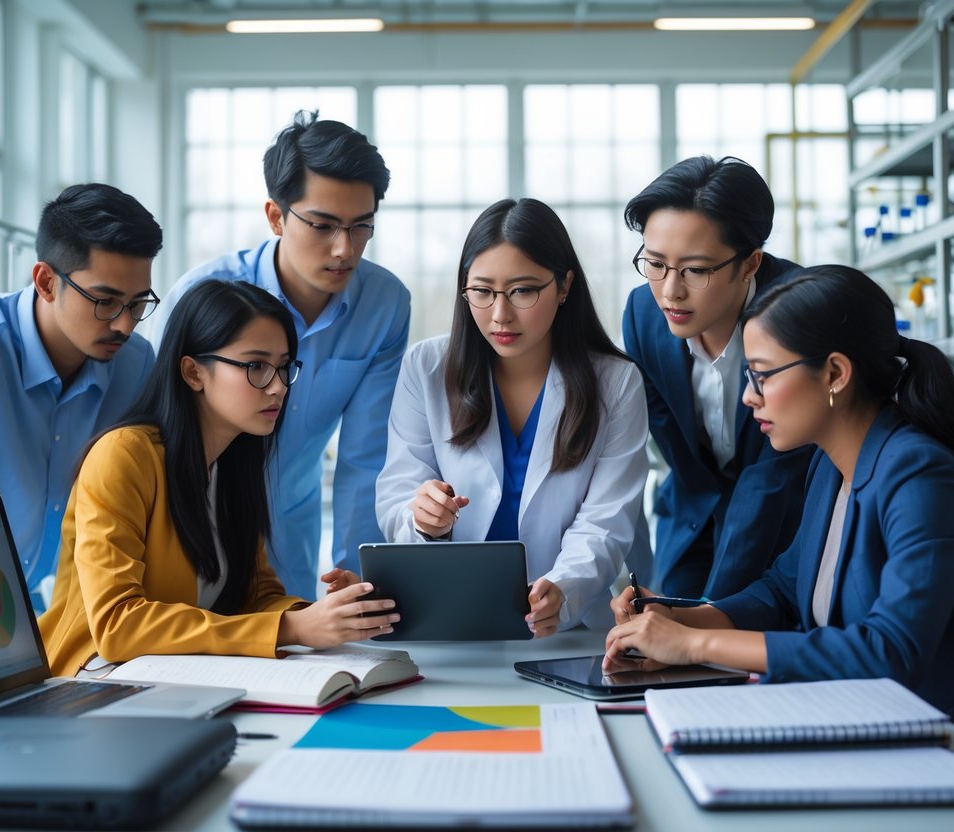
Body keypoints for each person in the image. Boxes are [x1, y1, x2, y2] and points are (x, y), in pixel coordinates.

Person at [604, 265, 954, 784]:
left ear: (835, 375)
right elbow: (783, 591)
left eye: (762, 374)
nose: (749, 396)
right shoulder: (829, 464)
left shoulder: (921, 475)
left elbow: (891, 651)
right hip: (880, 734)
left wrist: (693, 646)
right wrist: (683, 618)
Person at [38, 280, 399, 677]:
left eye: (284, 367)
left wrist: (327, 613)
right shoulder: (123, 455)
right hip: (94, 677)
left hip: (183, 677)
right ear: (193, 372)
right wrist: (291, 628)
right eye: (256, 366)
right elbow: (117, 626)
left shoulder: (232, 464)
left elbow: (257, 598)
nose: (278, 386)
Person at [151, 110, 410, 601]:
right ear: (276, 216)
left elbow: (365, 457)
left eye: (361, 227)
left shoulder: (385, 304)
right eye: (323, 225)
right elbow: (160, 430)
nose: (344, 249)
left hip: (290, 523)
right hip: (193, 517)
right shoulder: (202, 296)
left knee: (297, 637)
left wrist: (359, 580)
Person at [376, 198, 649, 636]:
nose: (500, 315)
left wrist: (563, 589)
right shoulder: (425, 368)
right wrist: (424, 520)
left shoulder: (617, 382)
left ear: (564, 286)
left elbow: (606, 521)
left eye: (523, 291)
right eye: (482, 292)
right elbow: (398, 492)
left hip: (570, 628)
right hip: (453, 617)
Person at [0, 183, 162, 610]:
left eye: (137, 304)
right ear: (46, 282)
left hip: (55, 607)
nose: (125, 326)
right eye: (106, 302)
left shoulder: (137, 364)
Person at [621, 155, 814, 600]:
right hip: (692, 511)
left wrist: (707, 610)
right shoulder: (643, 314)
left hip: (787, 521)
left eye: (695, 270)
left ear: (750, 264)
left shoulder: (800, 313)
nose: (670, 292)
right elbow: (673, 444)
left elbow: (773, 475)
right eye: (655, 263)